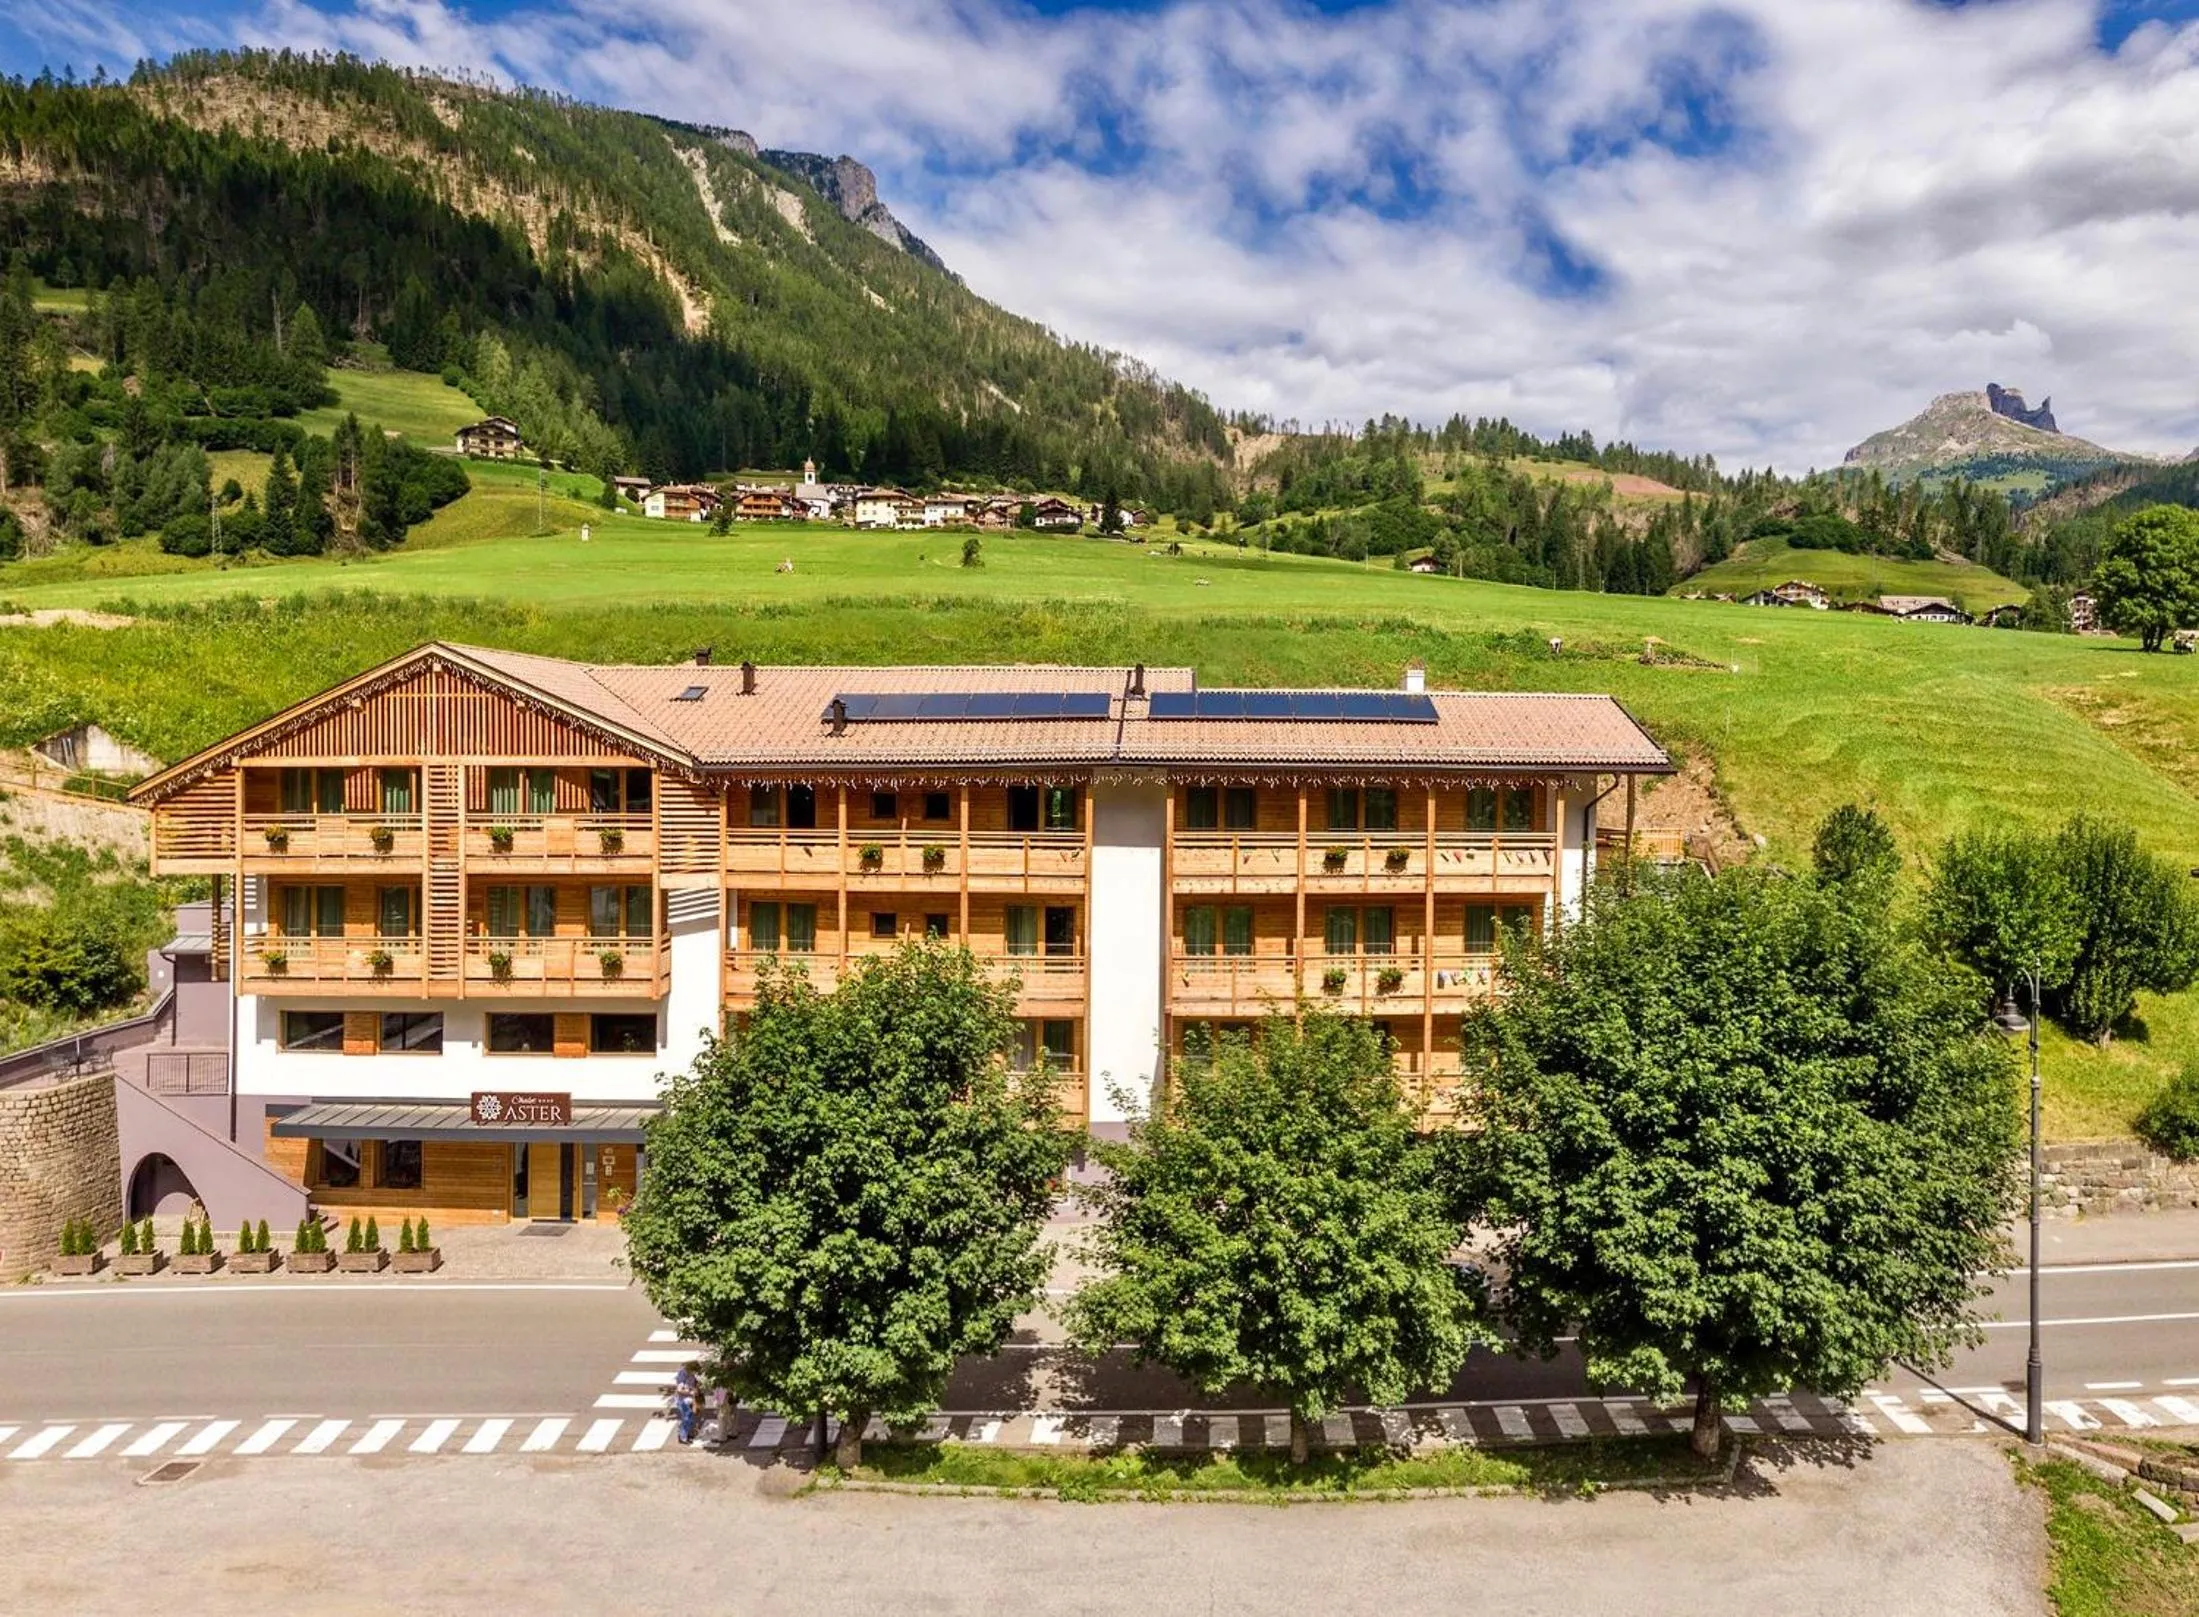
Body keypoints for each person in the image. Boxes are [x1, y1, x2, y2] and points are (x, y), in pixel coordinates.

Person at [672, 1362, 700, 1446]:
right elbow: (680, 1390)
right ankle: (683, 1437)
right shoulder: (683, 1374)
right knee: (686, 1418)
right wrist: (691, 1392)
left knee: (690, 1417)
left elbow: (694, 1383)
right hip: (683, 1401)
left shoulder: (691, 1374)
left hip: (689, 1400)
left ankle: (687, 1434)